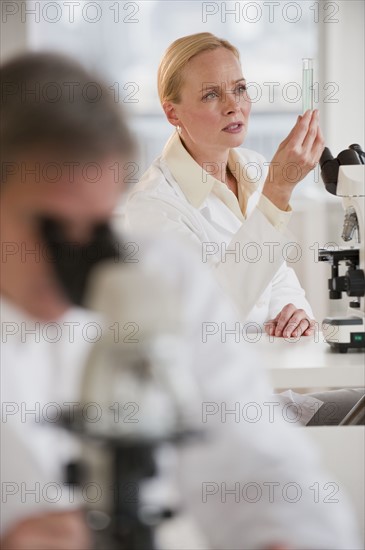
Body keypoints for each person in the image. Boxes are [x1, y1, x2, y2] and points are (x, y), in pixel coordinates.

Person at [0, 53, 362, 550]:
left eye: (98, 227)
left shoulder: (155, 272)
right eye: (51, 231)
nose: (78, 265)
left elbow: (256, 458)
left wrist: (288, 534)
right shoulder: (157, 206)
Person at [124, 32, 323, 338]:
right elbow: (209, 317)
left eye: (240, 89)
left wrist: (296, 315)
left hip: (274, 373)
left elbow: (279, 281)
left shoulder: (254, 167)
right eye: (211, 94)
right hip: (209, 384)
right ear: (171, 112)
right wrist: (278, 192)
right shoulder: (152, 205)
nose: (234, 106)